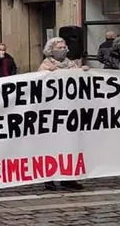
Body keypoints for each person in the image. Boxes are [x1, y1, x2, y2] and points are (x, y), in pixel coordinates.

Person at [37, 37, 87, 192]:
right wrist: (48, 74)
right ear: (51, 50)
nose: (63, 49)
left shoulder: (71, 64)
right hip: (53, 113)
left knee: (70, 145)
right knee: (51, 146)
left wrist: (84, 72)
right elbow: (39, 85)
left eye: (64, 47)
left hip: (70, 111)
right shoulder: (46, 65)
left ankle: (69, 178)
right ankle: (49, 178)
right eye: (59, 47)